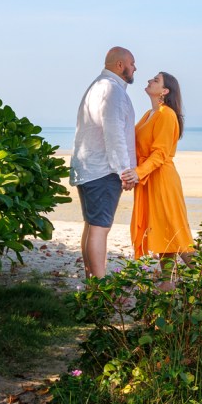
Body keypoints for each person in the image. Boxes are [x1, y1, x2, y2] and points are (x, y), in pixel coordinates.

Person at [69, 46, 139, 278]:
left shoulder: (98, 86)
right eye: (132, 63)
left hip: (89, 168)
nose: (135, 68)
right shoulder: (112, 90)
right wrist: (124, 171)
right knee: (100, 228)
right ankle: (100, 288)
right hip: (103, 170)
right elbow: (114, 133)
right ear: (120, 65)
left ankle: (93, 284)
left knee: (92, 227)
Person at [129, 71, 193, 276]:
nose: (149, 80)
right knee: (164, 230)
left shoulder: (167, 114)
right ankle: (167, 281)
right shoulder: (150, 114)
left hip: (162, 179)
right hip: (150, 179)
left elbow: (160, 153)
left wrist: (138, 173)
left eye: (155, 80)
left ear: (165, 91)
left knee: (174, 229)